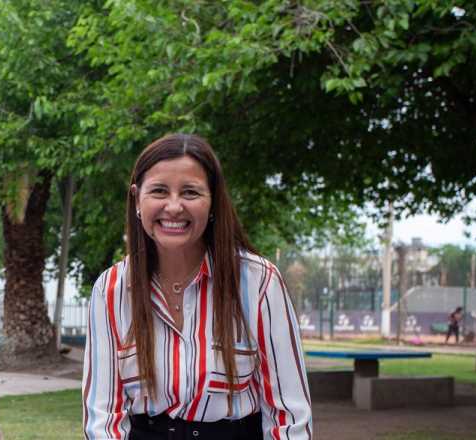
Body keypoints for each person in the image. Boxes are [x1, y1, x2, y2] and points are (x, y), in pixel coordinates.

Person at [83, 134, 312, 439]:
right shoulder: (110, 290)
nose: (174, 207)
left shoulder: (259, 283)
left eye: (190, 192)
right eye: (159, 191)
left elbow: (289, 417)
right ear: (137, 199)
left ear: (213, 200)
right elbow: (103, 418)